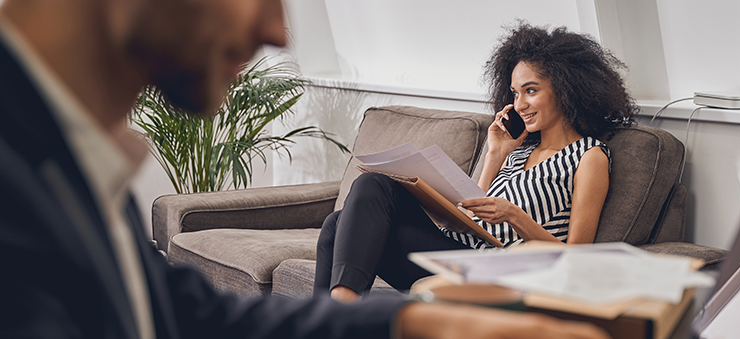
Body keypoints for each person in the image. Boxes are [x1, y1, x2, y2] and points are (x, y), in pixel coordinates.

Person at [0, 1, 610, 338]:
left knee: (355, 209)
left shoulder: (76, 167)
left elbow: (177, 314)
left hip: (514, 257)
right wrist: (498, 155)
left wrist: (416, 320)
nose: (278, 30)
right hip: (466, 246)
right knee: (351, 208)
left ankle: (343, 297)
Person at [315, 23, 638, 303]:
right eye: (514, 93)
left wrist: (514, 216)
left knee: (373, 185)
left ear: (567, 90)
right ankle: (325, 320)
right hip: (459, 248)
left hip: (495, 266)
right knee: (337, 221)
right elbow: (469, 216)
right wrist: (495, 152)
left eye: (531, 91)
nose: (519, 104)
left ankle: (340, 310)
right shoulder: (519, 151)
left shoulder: (589, 156)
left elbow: (578, 255)